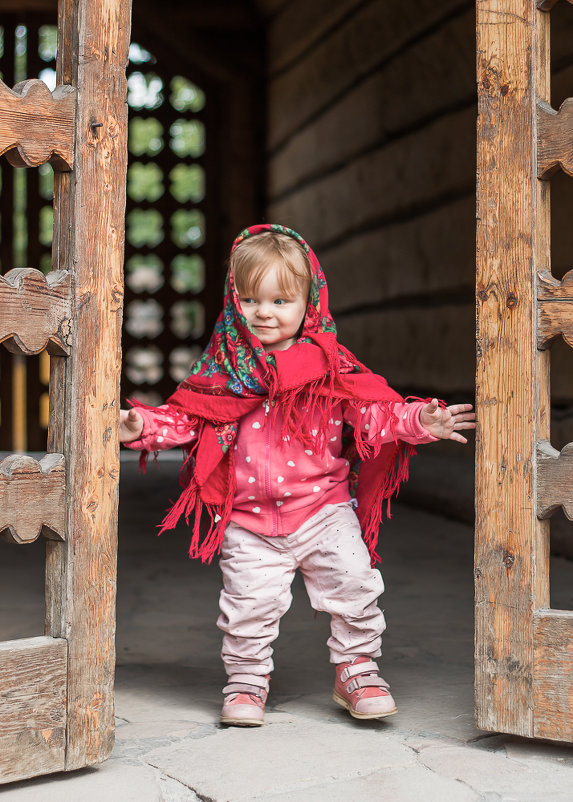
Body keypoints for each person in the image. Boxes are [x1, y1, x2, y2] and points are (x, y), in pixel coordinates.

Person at [120, 223, 475, 727]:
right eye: (249, 299)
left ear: (309, 302)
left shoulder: (330, 367)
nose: (264, 312)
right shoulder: (224, 369)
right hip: (248, 520)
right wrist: (141, 425)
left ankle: (357, 668)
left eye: (280, 300)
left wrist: (422, 420)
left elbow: (373, 414)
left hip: (324, 510)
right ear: (231, 300)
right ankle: (246, 681)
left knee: (355, 585)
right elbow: (188, 419)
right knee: (246, 607)